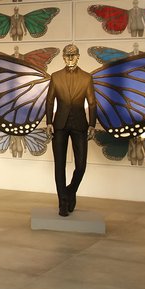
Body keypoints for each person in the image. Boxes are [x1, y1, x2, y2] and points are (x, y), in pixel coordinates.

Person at [45, 44, 96, 216]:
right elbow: (50, 101)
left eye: (73, 55)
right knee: (59, 165)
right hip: (59, 125)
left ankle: (70, 190)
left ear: (79, 56)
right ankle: (62, 202)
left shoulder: (87, 78)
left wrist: (92, 124)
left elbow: (92, 102)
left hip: (80, 125)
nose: (70, 58)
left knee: (81, 165)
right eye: (67, 55)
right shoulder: (56, 76)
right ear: (63, 57)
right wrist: (49, 122)